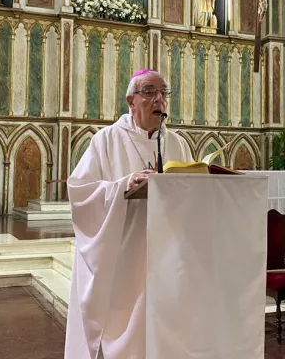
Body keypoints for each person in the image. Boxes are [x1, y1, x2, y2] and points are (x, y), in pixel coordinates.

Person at [65, 69, 194, 359]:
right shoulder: (106, 140)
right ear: (130, 101)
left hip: (166, 253)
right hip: (124, 256)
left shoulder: (177, 144)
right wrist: (125, 185)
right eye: (149, 92)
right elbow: (80, 192)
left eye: (163, 92)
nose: (159, 99)